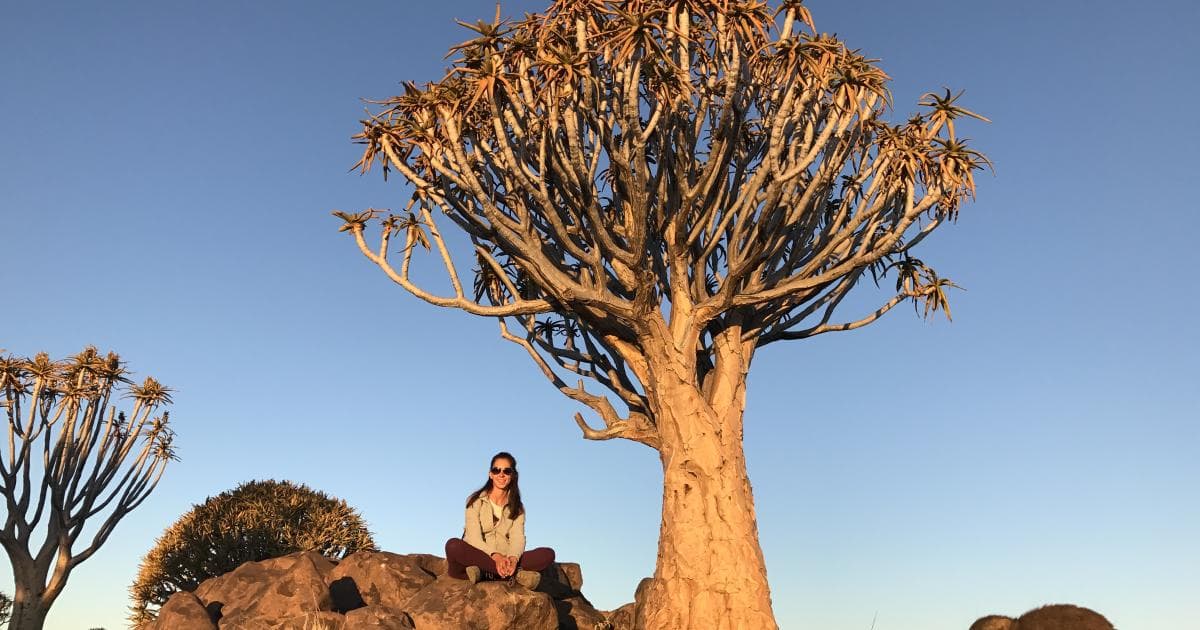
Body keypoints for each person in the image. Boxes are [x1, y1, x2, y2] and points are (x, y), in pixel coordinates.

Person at [444, 452, 555, 589]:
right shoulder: (475, 501)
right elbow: (473, 537)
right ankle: (511, 575)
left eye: (506, 471)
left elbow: (518, 538)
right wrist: (496, 557)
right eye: (496, 470)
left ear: (513, 475)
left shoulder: (518, 508)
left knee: (547, 554)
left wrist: (513, 559)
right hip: (480, 555)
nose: (501, 475)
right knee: (453, 546)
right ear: (490, 474)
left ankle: (487, 573)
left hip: (506, 557)